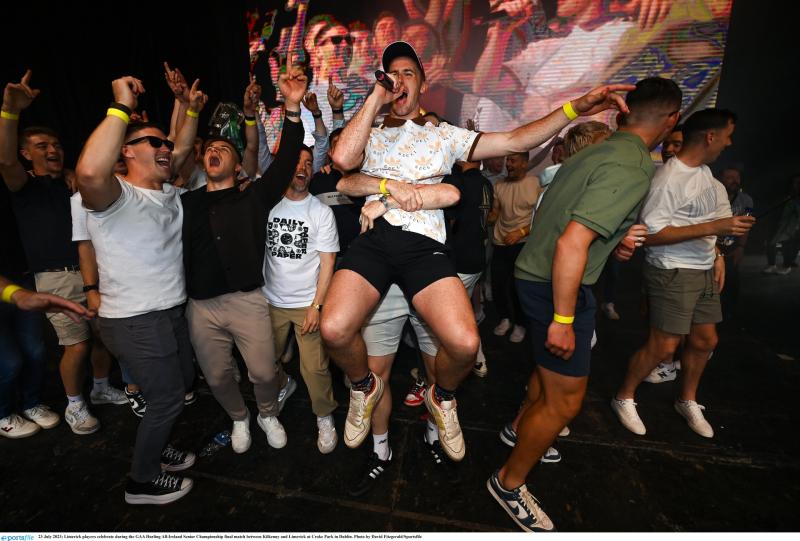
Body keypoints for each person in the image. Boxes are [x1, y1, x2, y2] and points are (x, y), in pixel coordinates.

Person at [321, 39, 634, 465]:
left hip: (423, 249)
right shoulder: (370, 131)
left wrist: (576, 107)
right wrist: (378, 97)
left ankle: (443, 397)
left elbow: (514, 139)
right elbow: (341, 160)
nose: (400, 80)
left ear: (423, 84)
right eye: (392, 73)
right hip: (375, 242)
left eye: (408, 73)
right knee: (334, 328)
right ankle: (363, 388)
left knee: (466, 344)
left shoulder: (444, 134)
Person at [488, 77, 682, 532]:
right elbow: (573, 241)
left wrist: (613, 243)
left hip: (536, 274)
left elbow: (568, 219)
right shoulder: (632, 164)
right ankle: (508, 482)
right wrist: (563, 318)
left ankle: (520, 429)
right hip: (557, 286)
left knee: (546, 376)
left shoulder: (599, 149)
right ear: (672, 119)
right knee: (565, 404)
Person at [75, 74, 206, 504]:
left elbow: (183, 147)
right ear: (126, 151)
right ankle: (142, 480)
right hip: (133, 318)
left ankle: (158, 444)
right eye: (153, 143)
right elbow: (90, 170)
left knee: (179, 386)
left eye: (164, 143)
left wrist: (189, 109)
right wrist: (122, 106)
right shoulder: (115, 197)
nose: (165, 148)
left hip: (169, 311)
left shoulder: (164, 191)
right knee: (168, 397)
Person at [181, 64, 306, 455]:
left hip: (247, 301)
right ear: (204, 162)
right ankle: (239, 418)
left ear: (239, 166)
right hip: (201, 307)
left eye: (225, 150)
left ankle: (267, 412)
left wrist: (292, 108)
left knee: (264, 371)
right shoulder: (184, 203)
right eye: (211, 150)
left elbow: (286, 159)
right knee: (216, 376)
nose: (215, 151)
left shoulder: (253, 196)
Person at [611, 108, 754, 440]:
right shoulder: (668, 179)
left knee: (706, 340)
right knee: (663, 346)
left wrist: (718, 253)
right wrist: (715, 226)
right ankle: (624, 396)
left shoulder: (709, 178)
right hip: (672, 270)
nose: (729, 143)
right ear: (710, 136)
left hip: (703, 269)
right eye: (727, 135)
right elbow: (651, 235)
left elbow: (719, 228)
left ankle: (687, 399)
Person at [0, 70, 126, 436]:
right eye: (41, 146)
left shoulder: (72, 184)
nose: (52, 150)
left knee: (102, 335)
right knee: (77, 344)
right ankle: (75, 405)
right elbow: (6, 162)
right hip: (54, 276)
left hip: (91, 271)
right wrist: (9, 112)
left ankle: (101, 389)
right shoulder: (24, 186)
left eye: (55, 145)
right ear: (27, 154)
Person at [335, 169, 461, 496]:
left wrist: (388, 201)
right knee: (376, 374)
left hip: (426, 271)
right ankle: (381, 450)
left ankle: (435, 438)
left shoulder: (436, 156)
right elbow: (345, 180)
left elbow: (450, 195)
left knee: (437, 371)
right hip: (381, 278)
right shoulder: (377, 152)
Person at [264, 146, 340, 454]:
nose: (304, 167)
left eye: (309, 163)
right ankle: (283, 385)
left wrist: (317, 306)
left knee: (315, 368)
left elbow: (328, 264)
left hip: (306, 304)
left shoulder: (321, 212)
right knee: (265, 364)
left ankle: (324, 416)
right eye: (297, 160)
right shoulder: (267, 204)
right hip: (269, 301)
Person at [488, 151, 541, 343]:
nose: (508, 164)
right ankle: (505, 318)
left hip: (522, 243)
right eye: (506, 160)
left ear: (524, 163)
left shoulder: (535, 183)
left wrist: (520, 232)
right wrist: (480, 217)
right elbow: (495, 212)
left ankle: (520, 323)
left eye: (512, 160)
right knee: (498, 285)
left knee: (518, 288)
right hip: (501, 242)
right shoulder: (499, 185)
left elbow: (542, 216)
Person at [718, 165, 754, 316]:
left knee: (732, 281)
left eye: (737, 177)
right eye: (730, 177)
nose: (735, 181)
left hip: (732, 247)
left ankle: (729, 315)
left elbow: (746, 225)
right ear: (721, 179)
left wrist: (741, 247)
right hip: (710, 246)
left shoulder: (746, 200)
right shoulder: (714, 196)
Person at [763, 174, 800, 275]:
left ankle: (787, 265)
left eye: (798, 183)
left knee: (788, 244)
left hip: (792, 226)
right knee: (771, 242)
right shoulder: (787, 194)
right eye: (795, 182)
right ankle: (772, 264)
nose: (796, 185)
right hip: (780, 223)